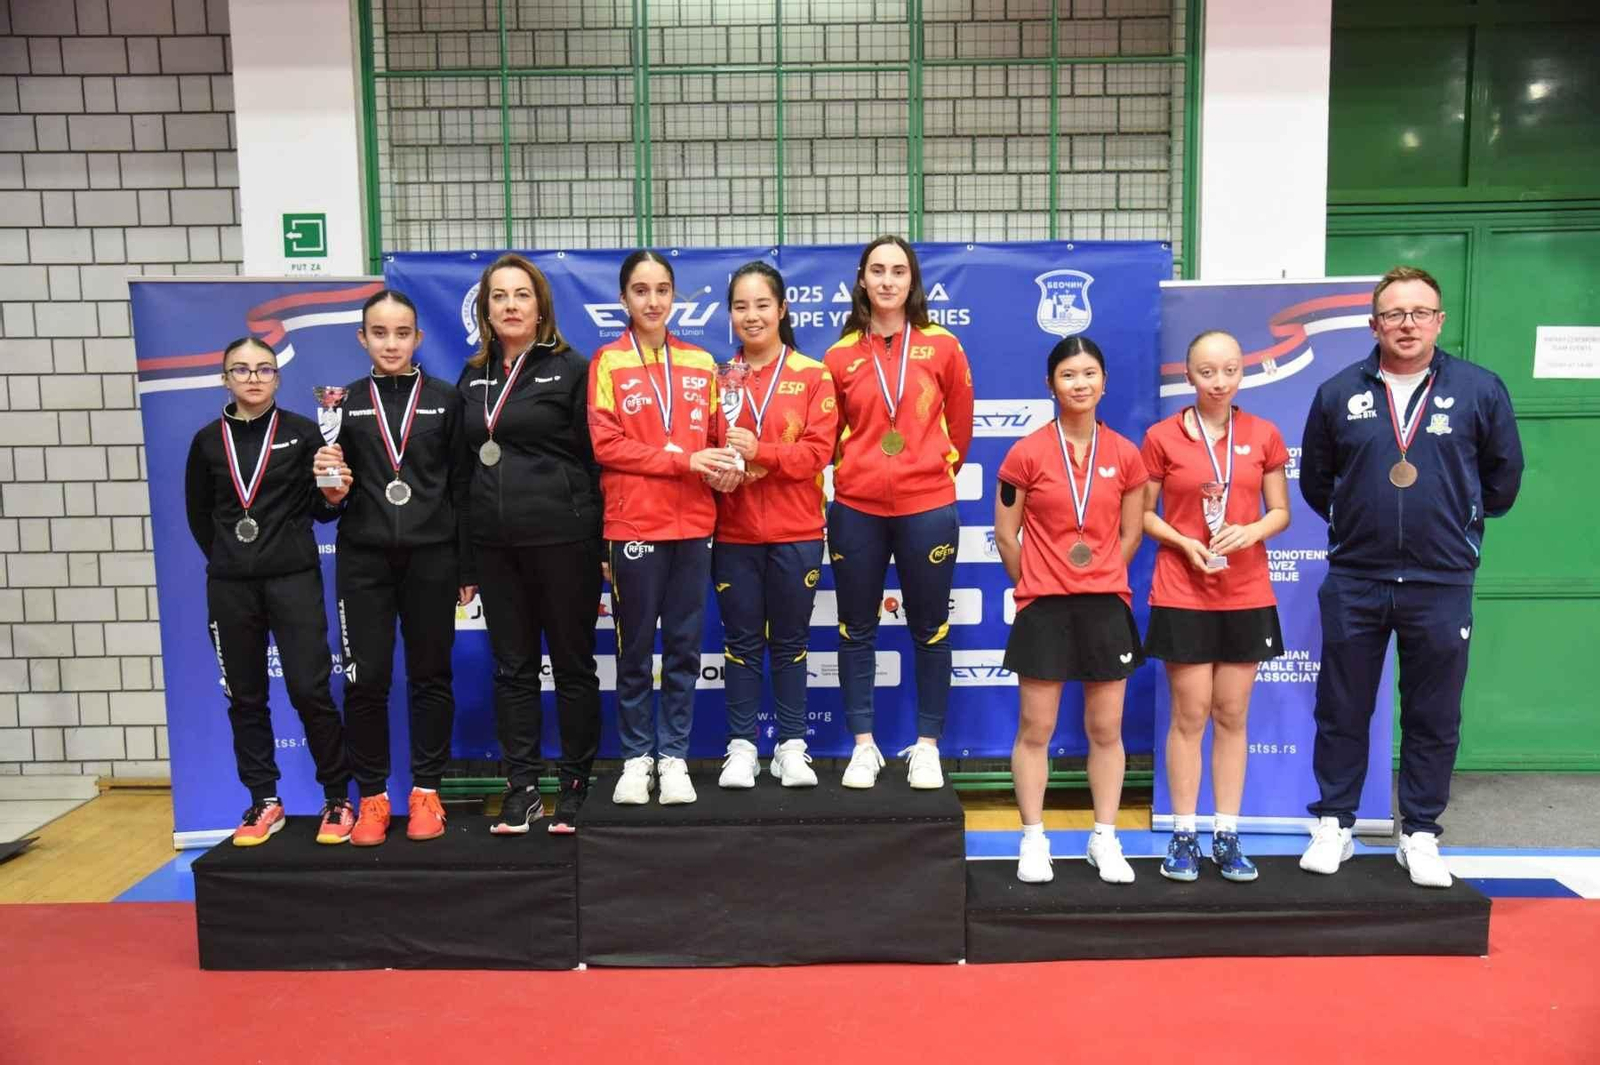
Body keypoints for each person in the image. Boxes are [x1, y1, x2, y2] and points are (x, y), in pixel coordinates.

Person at [1298, 265, 1523, 888]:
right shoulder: (1338, 392)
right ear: (1374, 324)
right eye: (1394, 314)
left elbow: (1502, 481)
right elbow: (1319, 481)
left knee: (1433, 712)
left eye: (1420, 312)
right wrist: (1356, 519)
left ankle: (1420, 831)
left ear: (1439, 321)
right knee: (1342, 706)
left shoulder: (1480, 389)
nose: (1407, 324)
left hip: (1441, 579)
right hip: (1357, 577)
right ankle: (1335, 823)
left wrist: (1460, 519)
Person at [311, 290, 473, 846]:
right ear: (362, 338)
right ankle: (373, 797)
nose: (391, 343)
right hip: (364, 560)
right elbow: (325, 505)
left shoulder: (447, 401)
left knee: (431, 676)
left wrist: (465, 563)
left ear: (418, 339)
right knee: (366, 681)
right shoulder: (340, 407)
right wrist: (329, 486)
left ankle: (427, 791)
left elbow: (461, 487)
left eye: (401, 333)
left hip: (432, 557)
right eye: (379, 333)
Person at [183, 336, 353, 847]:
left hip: (292, 580)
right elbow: (200, 516)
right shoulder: (207, 441)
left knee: (310, 690)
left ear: (277, 378)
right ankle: (264, 799)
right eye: (241, 369)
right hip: (232, 586)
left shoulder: (305, 435)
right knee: (246, 697)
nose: (252, 378)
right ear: (225, 378)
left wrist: (335, 494)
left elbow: (323, 511)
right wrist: (232, 557)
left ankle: (337, 798)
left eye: (262, 369)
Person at [457, 254, 604, 835]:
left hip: (564, 542)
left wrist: (599, 545)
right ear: (486, 310)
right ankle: (521, 788)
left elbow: (595, 464)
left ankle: (573, 785)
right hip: (496, 550)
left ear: (540, 306)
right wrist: (467, 557)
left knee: (572, 668)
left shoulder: (572, 369)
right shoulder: (472, 377)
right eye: (499, 296)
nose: (511, 305)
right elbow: (462, 475)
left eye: (522, 295)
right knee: (512, 670)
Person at [589, 250, 741, 805]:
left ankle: (672, 755)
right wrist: (684, 461)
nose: (652, 301)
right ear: (624, 298)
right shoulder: (607, 363)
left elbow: (720, 441)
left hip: (694, 525)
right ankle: (635, 757)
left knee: (682, 646)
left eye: (661, 290)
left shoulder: (704, 363)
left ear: (674, 296)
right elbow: (606, 445)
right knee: (634, 650)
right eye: (640, 290)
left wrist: (726, 471)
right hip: (633, 524)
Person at [995, 336, 1148, 885]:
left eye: (1089, 374)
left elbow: (1131, 533)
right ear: (1050, 385)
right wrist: (1039, 583)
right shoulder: (1026, 452)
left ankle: (1104, 837)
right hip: (1044, 608)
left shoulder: (1127, 454)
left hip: (1105, 606)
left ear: (1104, 382)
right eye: (1067, 375)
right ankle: (1034, 837)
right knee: (1036, 727)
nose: (1079, 384)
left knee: (1106, 727)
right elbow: (1006, 535)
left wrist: (1097, 575)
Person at [823, 236, 974, 789]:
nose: (887, 281)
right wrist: (864, 474)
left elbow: (960, 428)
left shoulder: (943, 347)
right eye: (877, 271)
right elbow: (830, 437)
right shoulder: (840, 355)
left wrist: (927, 475)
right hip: (857, 509)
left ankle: (928, 746)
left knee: (930, 628)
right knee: (855, 628)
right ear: (861, 280)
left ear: (912, 282)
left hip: (926, 508)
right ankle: (864, 745)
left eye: (898, 271)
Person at [1140, 330, 1291, 882]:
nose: (1219, 381)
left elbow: (1280, 512)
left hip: (1245, 591)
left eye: (1229, 370)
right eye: (1207, 371)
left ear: (1242, 372)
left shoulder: (1264, 434)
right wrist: (1186, 543)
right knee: (1190, 714)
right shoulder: (1161, 437)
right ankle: (1184, 833)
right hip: (1183, 588)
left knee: (1232, 714)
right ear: (1189, 374)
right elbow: (1145, 515)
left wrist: (1248, 533)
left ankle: (1227, 833)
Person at [712, 262, 838, 789]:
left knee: (790, 642)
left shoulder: (814, 375)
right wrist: (719, 472)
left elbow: (817, 452)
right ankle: (741, 747)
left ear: (783, 310)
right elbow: (705, 450)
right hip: (734, 533)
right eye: (741, 306)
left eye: (762, 304)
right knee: (740, 644)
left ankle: (791, 745)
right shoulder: (717, 378)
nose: (752, 315)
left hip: (797, 531)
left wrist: (759, 453)